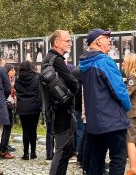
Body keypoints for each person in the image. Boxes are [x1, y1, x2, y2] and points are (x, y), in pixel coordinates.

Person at [79, 28, 131, 175]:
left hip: (94, 121)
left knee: (96, 159)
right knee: (118, 158)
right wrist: (127, 106)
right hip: (112, 120)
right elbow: (119, 89)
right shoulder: (105, 61)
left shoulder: (84, 63)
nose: (109, 41)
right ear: (98, 41)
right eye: (106, 38)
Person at [41, 30, 79, 175]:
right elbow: (72, 82)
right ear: (57, 42)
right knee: (62, 150)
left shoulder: (48, 59)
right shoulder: (56, 60)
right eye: (67, 40)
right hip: (62, 111)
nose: (70, 43)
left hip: (55, 109)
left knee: (65, 149)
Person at [14, 61, 42, 160]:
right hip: (34, 107)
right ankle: (33, 153)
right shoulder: (37, 77)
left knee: (25, 130)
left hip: (22, 107)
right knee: (33, 129)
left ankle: (26, 154)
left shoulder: (18, 79)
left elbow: (16, 89)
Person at [0, 64, 16, 159]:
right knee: (6, 128)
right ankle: (3, 150)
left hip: (8, 105)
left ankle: (3, 148)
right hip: (6, 105)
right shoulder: (5, 80)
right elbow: (7, 92)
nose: (14, 71)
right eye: (12, 70)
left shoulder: (11, 79)